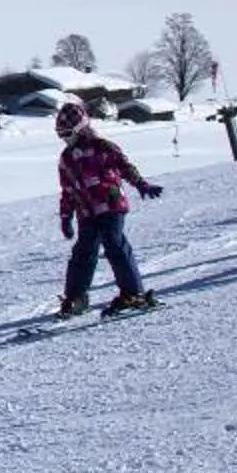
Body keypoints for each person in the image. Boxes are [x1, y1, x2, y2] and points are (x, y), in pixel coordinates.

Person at [54, 101, 161, 317]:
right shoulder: (66, 159)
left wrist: (141, 184)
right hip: (86, 212)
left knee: (114, 244)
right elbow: (67, 190)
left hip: (111, 205)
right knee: (83, 252)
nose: (64, 139)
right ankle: (76, 298)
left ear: (80, 128)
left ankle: (133, 293)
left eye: (67, 133)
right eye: (60, 134)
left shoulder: (102, 147)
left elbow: (124, 166)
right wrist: (66, 217)